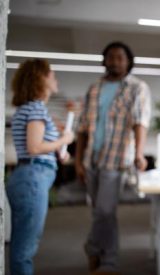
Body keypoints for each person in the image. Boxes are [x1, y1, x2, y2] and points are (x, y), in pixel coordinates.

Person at [75, 41, 151, 275]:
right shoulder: (94, 88)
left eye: (120, 57)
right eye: (111, 57)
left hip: (116, 159)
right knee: (101, 213)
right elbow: (82, 128)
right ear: (104, 60)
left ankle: (98, 252)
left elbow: (140, 121)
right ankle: (104, 256)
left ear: (128, 61)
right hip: (91, 159)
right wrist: (78, 161)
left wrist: (139, 152)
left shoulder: (137, 87)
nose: (115, 61)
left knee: (105, 211)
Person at [7, 58, 75, 275]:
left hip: (30, 175)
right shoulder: (36, 108)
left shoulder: (31, 109)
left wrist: (58, 151)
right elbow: (35, 147)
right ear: (40, 78)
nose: (55, 79)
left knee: (23, 243)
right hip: (32, 177)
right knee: (25, 248)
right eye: (52, 74)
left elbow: (39, 148)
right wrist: (64, 140)